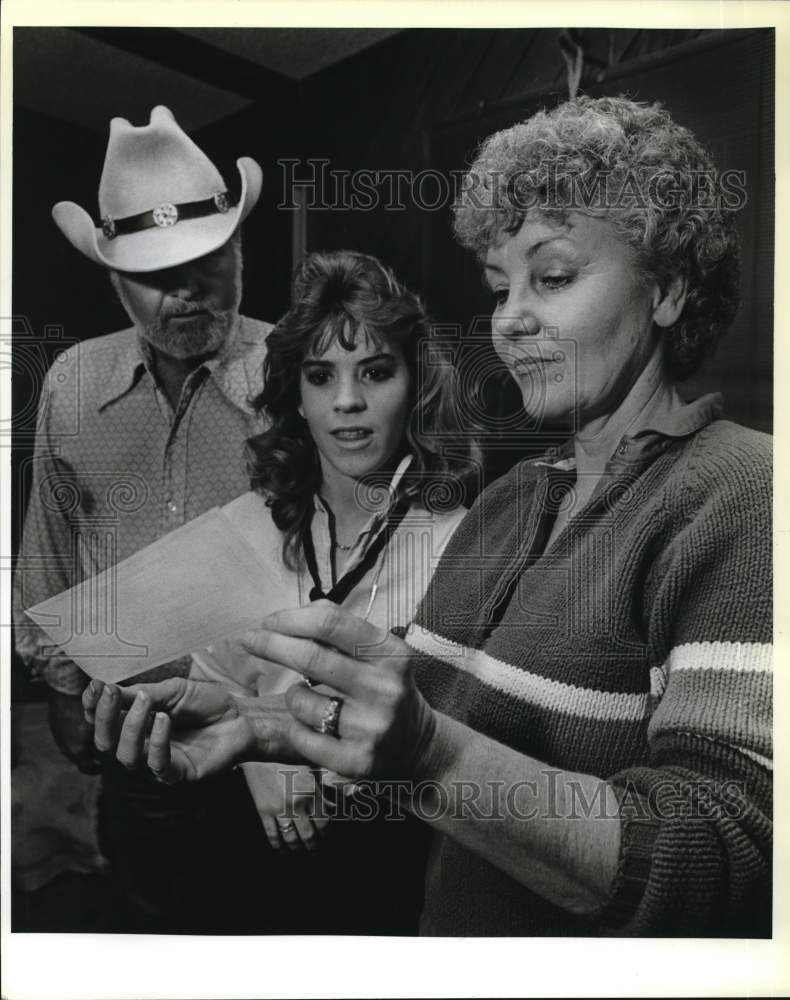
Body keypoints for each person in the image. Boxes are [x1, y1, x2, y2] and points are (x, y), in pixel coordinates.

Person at [85, 96, 772, 937]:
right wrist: (266, 724)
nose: (510, 316)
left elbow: (726, 860)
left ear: (666, 290)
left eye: (552, 277)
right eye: (499, 285)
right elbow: (416, 730)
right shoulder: (521, 500)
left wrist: (427, 753)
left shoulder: (744, 491)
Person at [13, 105, 275, 932]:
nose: (187, 292)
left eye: (208, 262)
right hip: (127, 727)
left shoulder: (312, 372)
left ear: (240, 250)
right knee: (154, 929)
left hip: (280, 728)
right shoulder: (73, 382)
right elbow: (52, 535)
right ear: (114, 280)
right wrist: (57, 682)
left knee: (286, 934)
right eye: (156, 274)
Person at [189, 249, 477, 932]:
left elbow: (466, 741)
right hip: (246, 843)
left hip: (402, 861)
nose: (347, 402)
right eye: (322, 376)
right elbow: (204, 686)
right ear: (295, 393)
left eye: (375, 372)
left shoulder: (465, 540)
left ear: (415, 384)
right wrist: (254, 748)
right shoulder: (241, 525)